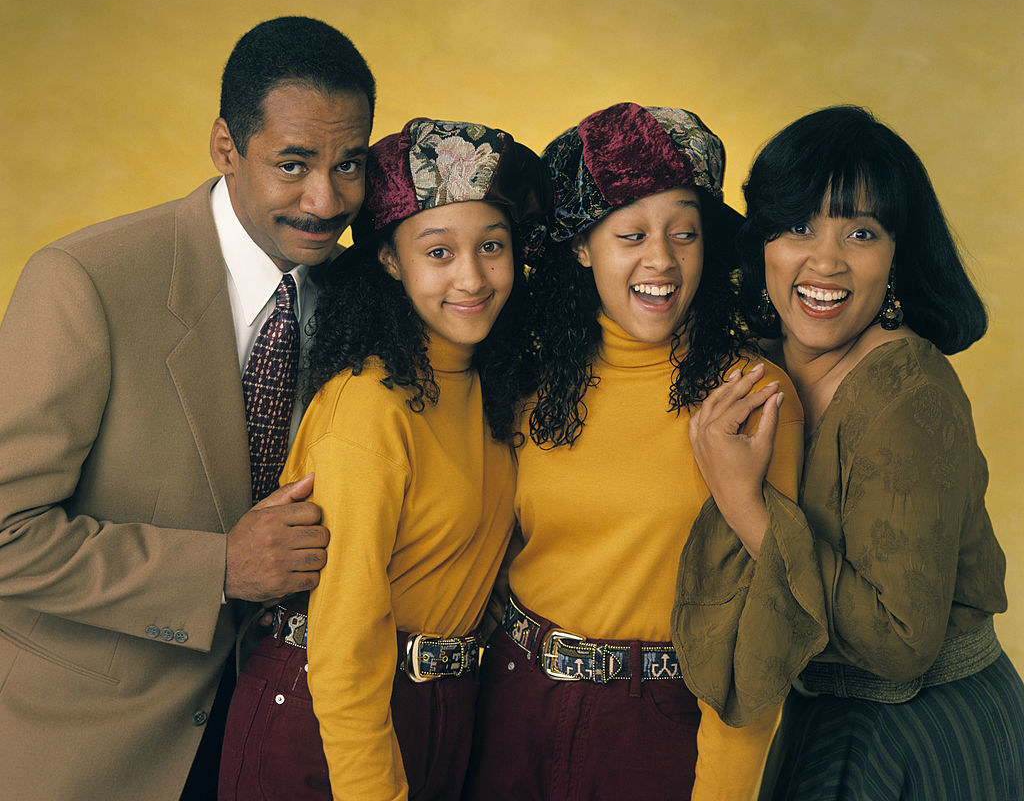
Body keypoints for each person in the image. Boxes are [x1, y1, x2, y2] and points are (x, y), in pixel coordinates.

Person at [0, 16, 374, 800]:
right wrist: (218, 570)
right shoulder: (85, 282)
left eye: (350, 165)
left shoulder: (370, 299)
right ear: (225, 147)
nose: (326, 199)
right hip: (90, 748)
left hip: (279, 746)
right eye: (294, 163)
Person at [462, 102, 804, 801]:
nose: (662, 259)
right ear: (583, 245)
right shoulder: (530, 376)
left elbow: (764, 629)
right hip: (510, 699)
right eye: (631, 234)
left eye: (685, 232)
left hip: (657, 725)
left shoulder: (752, 396)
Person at [680, 105, 1024, 800]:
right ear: (763, 243)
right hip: (822, 716)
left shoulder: (907, 394)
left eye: (860, 232)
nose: (825, 261)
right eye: (799, 226)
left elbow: (900, 645)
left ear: (897, 256)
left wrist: (745, 503)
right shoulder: (754, 369)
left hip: (920, 737)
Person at [218, 118, 550, 801]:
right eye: (438, 252)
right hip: (325, 720)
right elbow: (342, 651)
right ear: (391, 261)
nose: (472, 277)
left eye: (492, 246)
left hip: (438, 709)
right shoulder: (370, 406)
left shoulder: (494, 393)